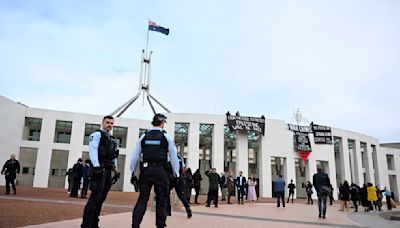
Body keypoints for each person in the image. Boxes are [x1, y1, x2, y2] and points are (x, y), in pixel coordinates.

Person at [130, 114, 180, 228]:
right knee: (161, 200)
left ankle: (135, 225)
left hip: (146, 171)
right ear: (163, 123)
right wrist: (176, 173)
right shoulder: (166, 137)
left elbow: (135, 156)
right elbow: (173, 156)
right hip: (161, 171)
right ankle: (160, 225)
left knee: (142, 199)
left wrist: (133, 172)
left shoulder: (144, 136)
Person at [81, 115, 119, 228]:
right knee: (95, 198)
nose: (110, 125)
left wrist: (115, 170)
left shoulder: (112, 139)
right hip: (99, 170)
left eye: (112, 123)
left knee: (101, 198)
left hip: (107, 170)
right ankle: (86, 225)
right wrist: (97, 166)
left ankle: (94, 224)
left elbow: (114, 156)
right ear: (103, 123)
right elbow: (92, 150)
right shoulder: (97, 135)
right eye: (107, 122)